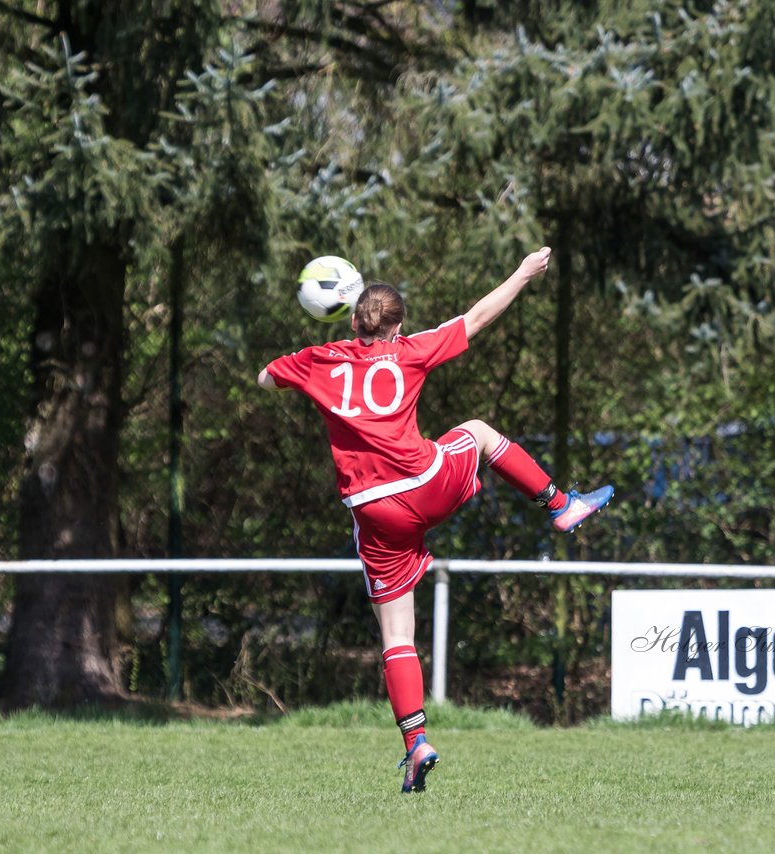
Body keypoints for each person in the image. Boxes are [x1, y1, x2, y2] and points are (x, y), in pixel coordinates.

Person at [257, 246, 614, 793]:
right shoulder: (410, 351)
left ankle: (415, 742)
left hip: (376, 516)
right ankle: (561, 506)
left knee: (396, 635)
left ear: (351, 320)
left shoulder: (319, 362)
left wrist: (320, 350)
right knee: (478, 431)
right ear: (399, 327)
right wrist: (521, 271)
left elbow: (264, 378)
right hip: (428, 486)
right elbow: (475, 318)